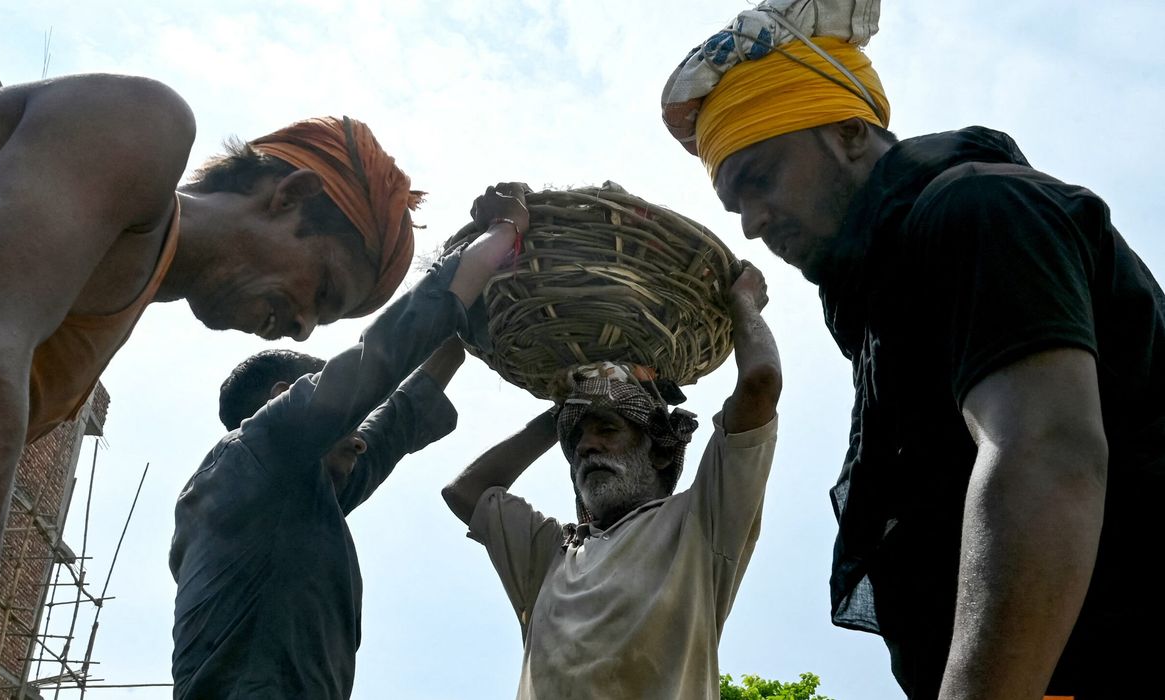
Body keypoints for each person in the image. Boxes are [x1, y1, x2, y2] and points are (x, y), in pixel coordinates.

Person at [661, 2, 1163, 698]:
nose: (751, 223)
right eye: (734, 203)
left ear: (846, 133)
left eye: (760, 177)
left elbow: (1044, 450)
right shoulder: (883, 306)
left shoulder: (977, 210)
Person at [0, 72, 421, 697]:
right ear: (290, 194)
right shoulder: (140, 122)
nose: (300, 330)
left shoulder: (107, 312)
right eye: (321, 291)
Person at [169, 183, 529, 699]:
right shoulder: (248, 461)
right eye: (347, 422)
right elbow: (384, 356)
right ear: (285, 400)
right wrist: (503, 233)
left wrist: (471, 308)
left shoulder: (302, 496)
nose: (359, 444)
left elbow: (402, 407)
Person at [442, 262, 781, 699]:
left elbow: (760, 383)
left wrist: (743, 303)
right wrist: (568, 405)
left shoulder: (698, 525)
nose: (585, 447)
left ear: (658, 450)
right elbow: (465, 492)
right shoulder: (551, 555)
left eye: (607, 429)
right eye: (577, 440)